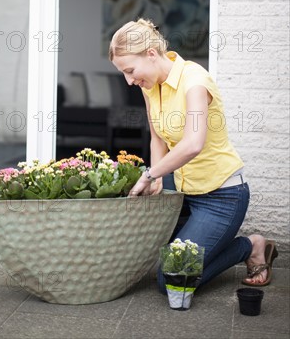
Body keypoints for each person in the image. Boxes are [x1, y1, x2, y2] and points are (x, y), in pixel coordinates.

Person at [109, 18, 277, 290]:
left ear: (151, 54)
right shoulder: (149, 86)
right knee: (158, 254)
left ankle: (251, 246)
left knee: (170, 280)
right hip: (184, 190)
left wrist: (151, 173)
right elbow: (157, 138)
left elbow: (193, 143)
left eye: (130, 70)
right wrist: (158, 178)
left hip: (221, 196)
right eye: (123, 74)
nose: (129, 81)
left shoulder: (195, 80)